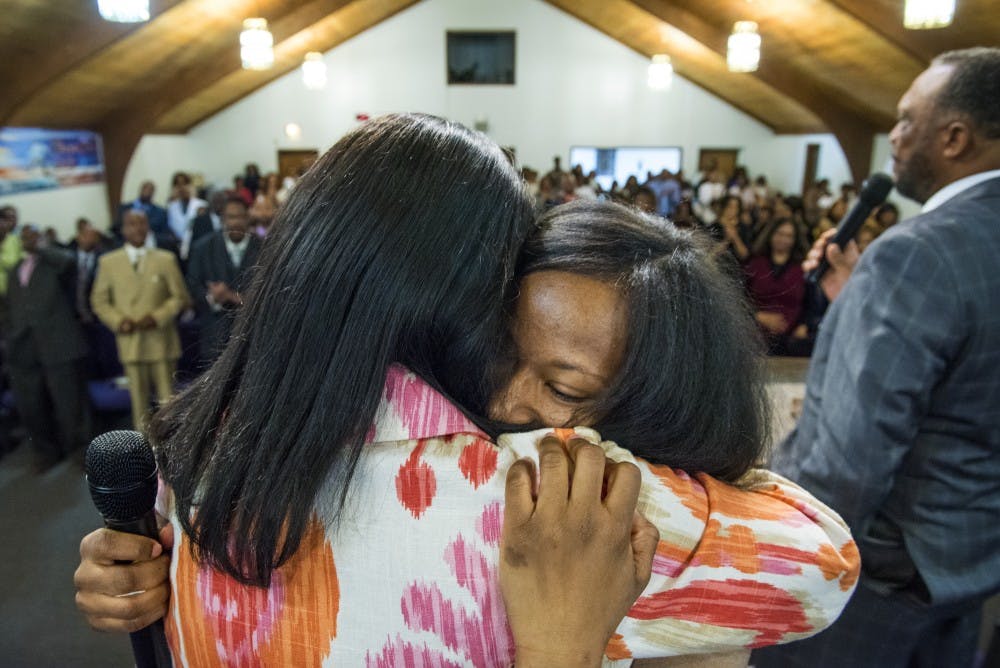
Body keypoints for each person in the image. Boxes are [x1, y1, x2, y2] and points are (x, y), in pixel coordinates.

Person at [75, 116, 856, 664]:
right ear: (468, 302)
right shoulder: (542, 496)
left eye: (557, 382)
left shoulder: (200, 457)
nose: (514, 402)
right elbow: (825, 568)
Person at [754, 47, 1000, 668]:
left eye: (907, 119)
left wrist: (779, 549)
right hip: (970, 563)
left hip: (878, 577)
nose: (892, 134)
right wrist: (856, 298)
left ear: (954, 137)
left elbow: (851, 460)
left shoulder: (919, 251)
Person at [90, 210, 190, 430]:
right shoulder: (109, 262)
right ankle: (142, 452)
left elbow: (180, 297)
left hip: (161, 340)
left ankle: (171, 449)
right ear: (123, 229)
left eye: (142, 223)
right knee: (139, 404)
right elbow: (99, 301)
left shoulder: (165, 259)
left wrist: (157, 317)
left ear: (148, 227)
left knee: (168, 401)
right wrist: (118, 321)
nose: (137, 228)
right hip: (130, 342)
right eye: (132, 224)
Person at [4, 225, 91, 470]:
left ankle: (79, 451)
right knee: (32, 405)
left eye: (33, 235)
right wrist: (11, 333)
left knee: (70, 403)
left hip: (58, 344)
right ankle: (46, 452)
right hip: (25, 348)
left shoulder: (56, 262)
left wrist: (42, 247)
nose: (28, 240)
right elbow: (10, 307)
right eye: (25, 237)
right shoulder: (14, 271)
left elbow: (69, 264)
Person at [185, 197, 261, 367]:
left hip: (254, 335)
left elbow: (272, 292)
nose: (235, 222)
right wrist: (212, 297)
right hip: (215, 335)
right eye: (230, 217)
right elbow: (192, 284)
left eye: (240, 217)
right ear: (222, 220)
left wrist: (232, 296)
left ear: (248, 218)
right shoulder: (202, 248)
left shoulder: (265, 247)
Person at [745, 218, 807, 355]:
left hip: (792, 338)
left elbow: (810, 303)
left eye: (789, 236)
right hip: (755, 334)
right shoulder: (754, 263)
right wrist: (757, 316)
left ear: (795, 240)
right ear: (771, 234)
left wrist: (804, 325)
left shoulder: (803, 268)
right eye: (779, 234)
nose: (783, 239)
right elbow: (740, 297)